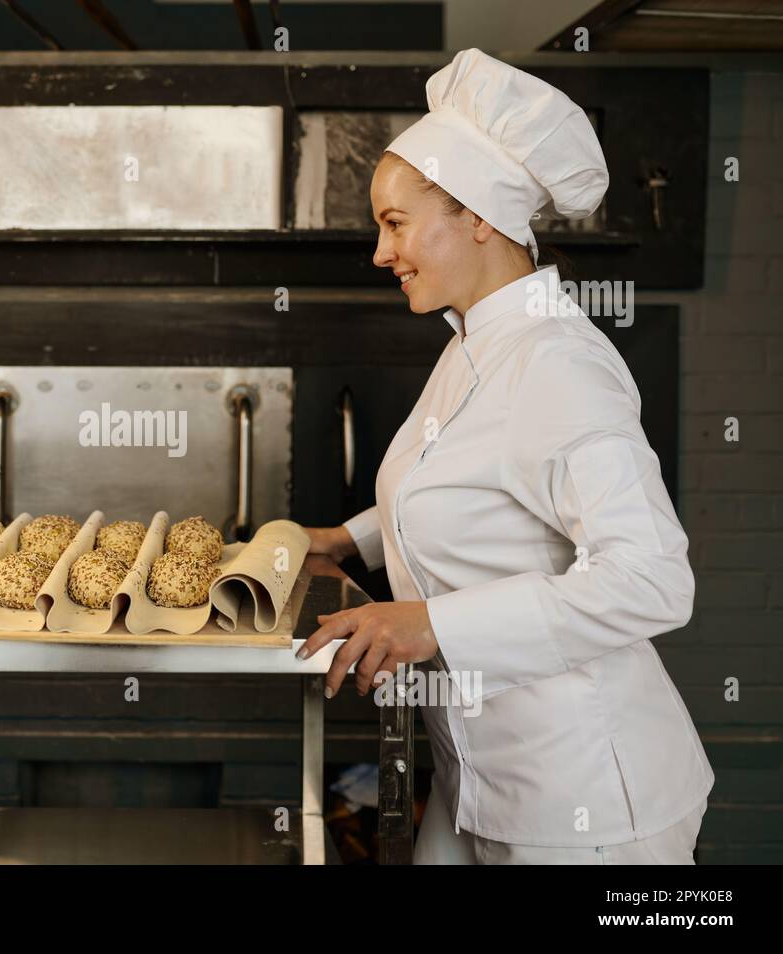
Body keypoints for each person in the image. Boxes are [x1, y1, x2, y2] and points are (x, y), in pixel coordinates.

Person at [301, 49, 713, 864]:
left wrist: (429, 627)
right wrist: (347, 542)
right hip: (475, 777)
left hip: (588, 802)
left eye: (395, 223)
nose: (381, 253)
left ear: (480, 217)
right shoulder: (472, 343)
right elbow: (460, 488)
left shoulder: (557, 363)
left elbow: (655, 579)